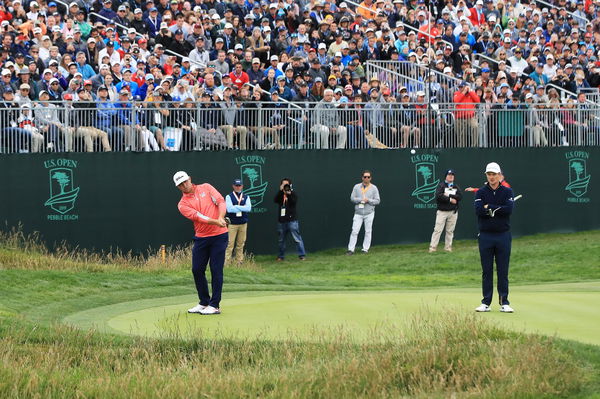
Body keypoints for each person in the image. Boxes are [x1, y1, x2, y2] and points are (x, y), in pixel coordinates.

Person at [174, 171, 228, 315]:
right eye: (180, 184)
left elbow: (221, 201)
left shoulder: (206, 187)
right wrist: (217, 221)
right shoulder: (182, 204)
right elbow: (199, 217)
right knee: (197, 269)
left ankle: (215, 305)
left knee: (216, 270)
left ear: (190, 179)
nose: (184, 185)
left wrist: (221, 217)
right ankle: (204, 302)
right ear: (178, 187)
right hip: (202, 237)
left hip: (219, 236)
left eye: (185, 181)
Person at [474, 162, 515, 313]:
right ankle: (486, 302)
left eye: (494, 174)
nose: (491, 177)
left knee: (503, 270)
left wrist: (489, 207)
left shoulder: (507, 191)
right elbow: (478, 210)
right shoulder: (480, 192)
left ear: (499, 175)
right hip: (485, 235)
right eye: (489, 174)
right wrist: (496, 208)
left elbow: (508, 210)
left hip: (503, 235)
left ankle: (504, 302)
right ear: (486, 175)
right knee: (487, 270)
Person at [346, 170, 381, 255]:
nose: (366, 178)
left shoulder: (374, 188)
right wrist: (361, 200)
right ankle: (351, 250)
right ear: (362, 178)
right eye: (365, 177)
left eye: (368, 177)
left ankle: (365, 249)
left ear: (370, 178)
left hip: (369, 213)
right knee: (354, 231)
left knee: (368, 231)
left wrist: (368, 200)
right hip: (358, 213)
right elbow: (352, 198)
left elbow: (377, 201)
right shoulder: (356, 187)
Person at [429, 170, 462, 253]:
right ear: (446, 176)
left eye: (452, 175)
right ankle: (433, 247)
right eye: (449, 175)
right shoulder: (441, 185)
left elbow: (460, 196)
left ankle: (448, 248)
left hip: (453, 212)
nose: (451, 176)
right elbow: (439, 196)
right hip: (442, 212)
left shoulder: (455, 186)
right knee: (437, 230)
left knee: (450, 231)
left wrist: (449, 195)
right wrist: (450, 199)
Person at [274, 178, 306, 261]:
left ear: (290, 185)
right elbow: (275, 200)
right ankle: (281, 256)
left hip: (292, 221)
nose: (285, 186)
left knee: (297, 239)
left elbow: (293, 202)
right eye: (283, 184)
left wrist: (289, 193)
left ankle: (302, 255)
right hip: (282, 221)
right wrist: (280, 191)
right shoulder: (280, 195)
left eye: (286, 184)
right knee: (281, 240)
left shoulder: (293, 194)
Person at [225, 178, 252, 265]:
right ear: (233, 186)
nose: (238, 187)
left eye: (239, 185)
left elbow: (248, 208)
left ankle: (239, 261)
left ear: (242, 186)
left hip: (243, 224)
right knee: (230, 244)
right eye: (236, 185)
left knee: (241, 243)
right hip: (232, 224)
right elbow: (229, 209)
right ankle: (226, 262)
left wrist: (235, 206)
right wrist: (241, 207)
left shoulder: (246, 196)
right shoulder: (229, 196)